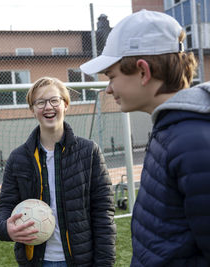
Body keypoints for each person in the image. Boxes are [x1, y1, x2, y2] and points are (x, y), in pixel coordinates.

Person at [80, 9, 210, 266]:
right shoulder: (172, 131)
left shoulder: (192, 142)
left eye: (111, 76)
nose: (108, 89)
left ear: (143, 71)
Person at [0, 76, 116, 266]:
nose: (48, 107)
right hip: (38, 261)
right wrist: (5, 230)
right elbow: (4, 209)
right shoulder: (18, 158)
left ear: (65, 104)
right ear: (32, 110)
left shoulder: (89, 152)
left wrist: (104, 263)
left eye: (54, 100)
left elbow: (103, 213)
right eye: (40, 102)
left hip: (81, 260)